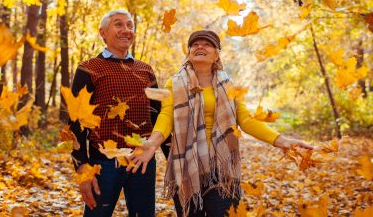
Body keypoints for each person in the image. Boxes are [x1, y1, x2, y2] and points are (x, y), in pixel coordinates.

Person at [128, 30, 313, 216]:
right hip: (187, 165)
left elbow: (246, 121)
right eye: (195, 44)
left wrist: (281, 140)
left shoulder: (228, 85)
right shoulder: (175, 83)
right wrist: (152, 143)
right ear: (189, 52)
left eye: (207, 44)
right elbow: (166, 116)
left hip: (221, 166)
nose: (200, 46)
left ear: (216, 54)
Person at [68, 10, 169, 216]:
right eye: (118, 24)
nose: (126, 30)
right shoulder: (88, 69)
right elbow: (75, 122)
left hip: (142, 161)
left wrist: (173, 159)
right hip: (104, 163)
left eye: (129, 25)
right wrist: (82, 168)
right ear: (103, 32)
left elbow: (158, 117)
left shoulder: (146, 70)